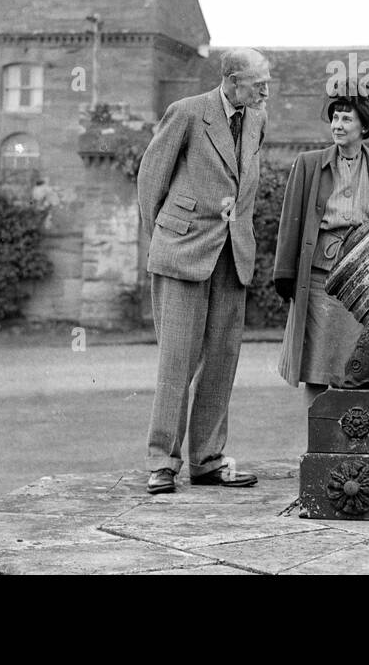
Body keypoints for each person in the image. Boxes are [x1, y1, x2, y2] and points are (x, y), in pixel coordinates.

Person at [136, 48, 271, 495]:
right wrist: (166, 237)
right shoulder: (188, 113)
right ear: (233, 82)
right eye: (258, 83)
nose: (265, 90)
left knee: (221, 360)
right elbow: (150, 180)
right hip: (182, 252)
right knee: (177, 360)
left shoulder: (257, 120)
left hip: (233, 255)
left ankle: (208, 460)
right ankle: (162, 462)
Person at [274, 90, 369, 404]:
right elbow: (290, 222)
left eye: (347, 118)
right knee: (317, 369)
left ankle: (350, 444)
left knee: (361, 369)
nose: (338, 124)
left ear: (364, 127)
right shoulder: (308, 164)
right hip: (319, 279)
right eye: (335, 117)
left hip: (363, 284)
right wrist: (285, 276)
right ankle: (317, 444)